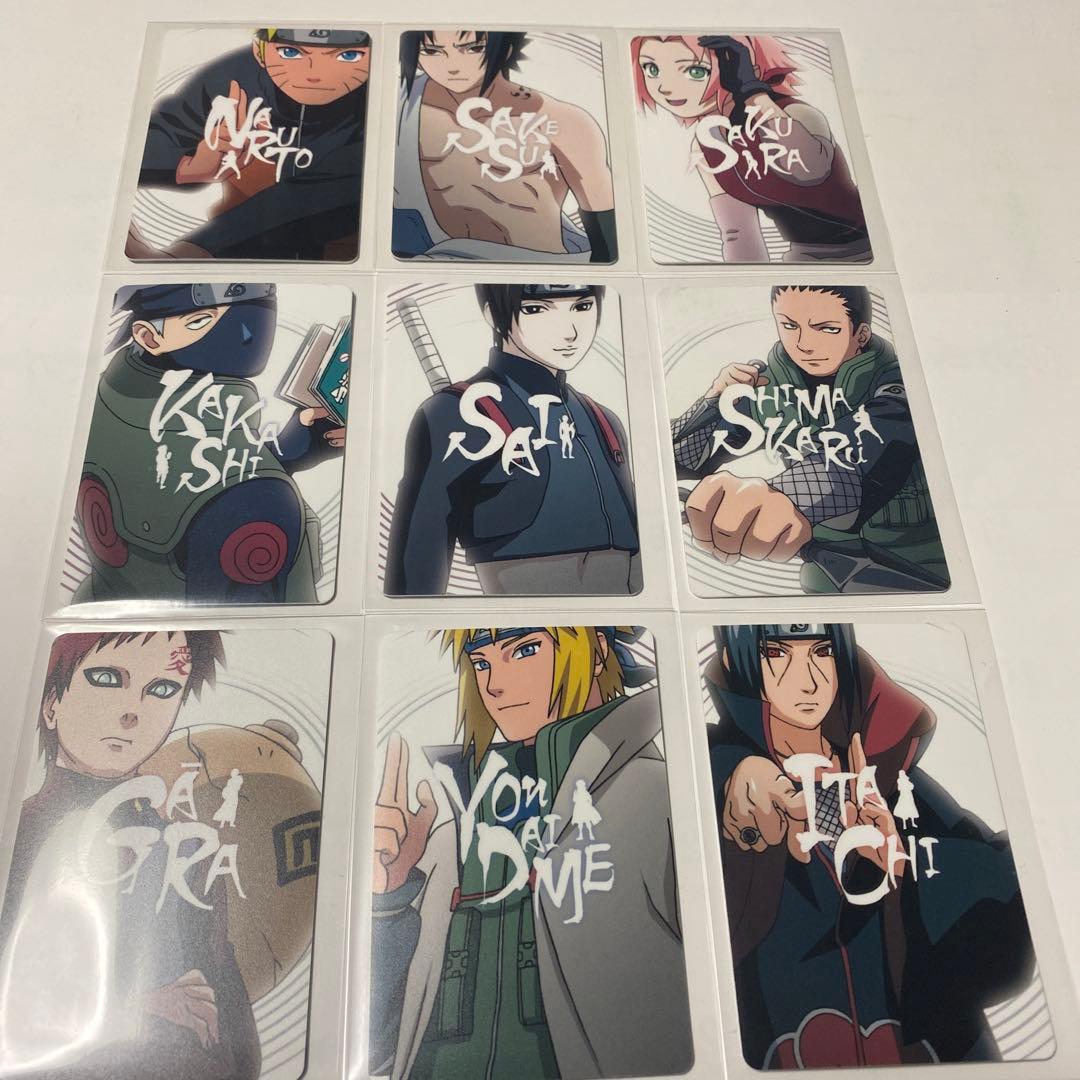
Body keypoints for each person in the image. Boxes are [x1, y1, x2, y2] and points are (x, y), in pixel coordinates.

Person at [705, 623, 1036, 1068]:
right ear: (737, 661)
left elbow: (1010, 920)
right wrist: (727, 774)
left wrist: (908, 871)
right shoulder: (716, 772)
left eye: (823, 651)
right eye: (776, 654)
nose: (807, 681)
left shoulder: (889, 771)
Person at [369, 626, 692, 1079]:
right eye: (481, 663)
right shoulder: (448, 842)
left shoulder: (656, 797)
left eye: (524, 650)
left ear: (598, 652)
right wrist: (389, 900)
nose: (495, 685)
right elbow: (381, 1050)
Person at [0, 631, 259, 1079]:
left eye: (162, 689)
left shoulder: (191, 851)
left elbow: (238, 1048)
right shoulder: (17, 835)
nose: (132, 711)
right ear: (51, 703)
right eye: (106, 678)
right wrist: (136, 1009)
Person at [75, 283, 344, 604]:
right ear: (149, 337)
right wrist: (264, 475)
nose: (247, 335)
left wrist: (286, 453)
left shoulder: (102, 397)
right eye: (200, 321)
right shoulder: (261, 497)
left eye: (259, 317)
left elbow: (188, 471)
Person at [672, 284, 948, 593]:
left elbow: (880, 437)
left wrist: (788, 497)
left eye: (826, 329)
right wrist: (712, 404)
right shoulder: (768, 385)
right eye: (790, 326)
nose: (804, 344)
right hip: (829, 570)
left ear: (860, 334)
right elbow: (677, 462)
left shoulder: (899, 379)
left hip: (921, 565)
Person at [385, 284, 640, 596]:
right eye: (535, 310)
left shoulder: (603, 418)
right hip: (527, 609)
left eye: (582, 306)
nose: (570, 332)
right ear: (493, 315)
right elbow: (420, 551)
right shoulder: (454, 412)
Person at [129, 28, 371, 261]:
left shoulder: (382, 101)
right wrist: (187, 167)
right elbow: (153, 137)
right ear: (260, 51)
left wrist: (192, 253)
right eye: (290, 52)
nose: (315, 74)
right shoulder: (237, 76)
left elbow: (326, 196)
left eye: (349, 55)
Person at [632, 34, 870, 263]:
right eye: (651, 69)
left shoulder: (796, 114)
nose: (665, 87)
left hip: (865, 248)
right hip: (803, 259)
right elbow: (737, 233)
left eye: (695, 71)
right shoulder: (708, 143)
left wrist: (752, 92)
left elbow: (809, 170)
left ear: (741, 68)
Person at [394, 31, 617, 262]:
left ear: (506, 48)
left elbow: (609, 242)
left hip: (538, 266)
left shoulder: (564, 122)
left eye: (473, 48)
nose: (452, 66)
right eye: (431, 51)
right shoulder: (398, 108)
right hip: (435, 262)